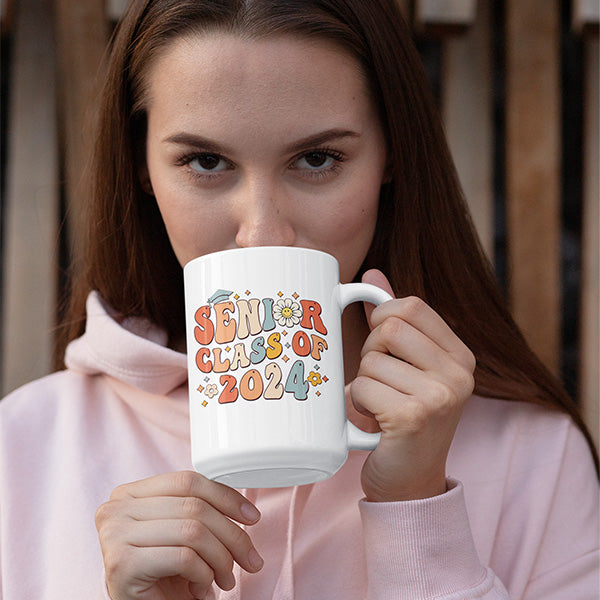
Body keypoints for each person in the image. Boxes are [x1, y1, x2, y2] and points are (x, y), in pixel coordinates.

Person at [1, 0, 598, 598]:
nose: (261, 231)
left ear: (391, 156)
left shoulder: (534, 455)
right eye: (205, 162)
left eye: (317, 159)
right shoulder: (26, 448)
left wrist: (418, 514)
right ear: (141, 166)